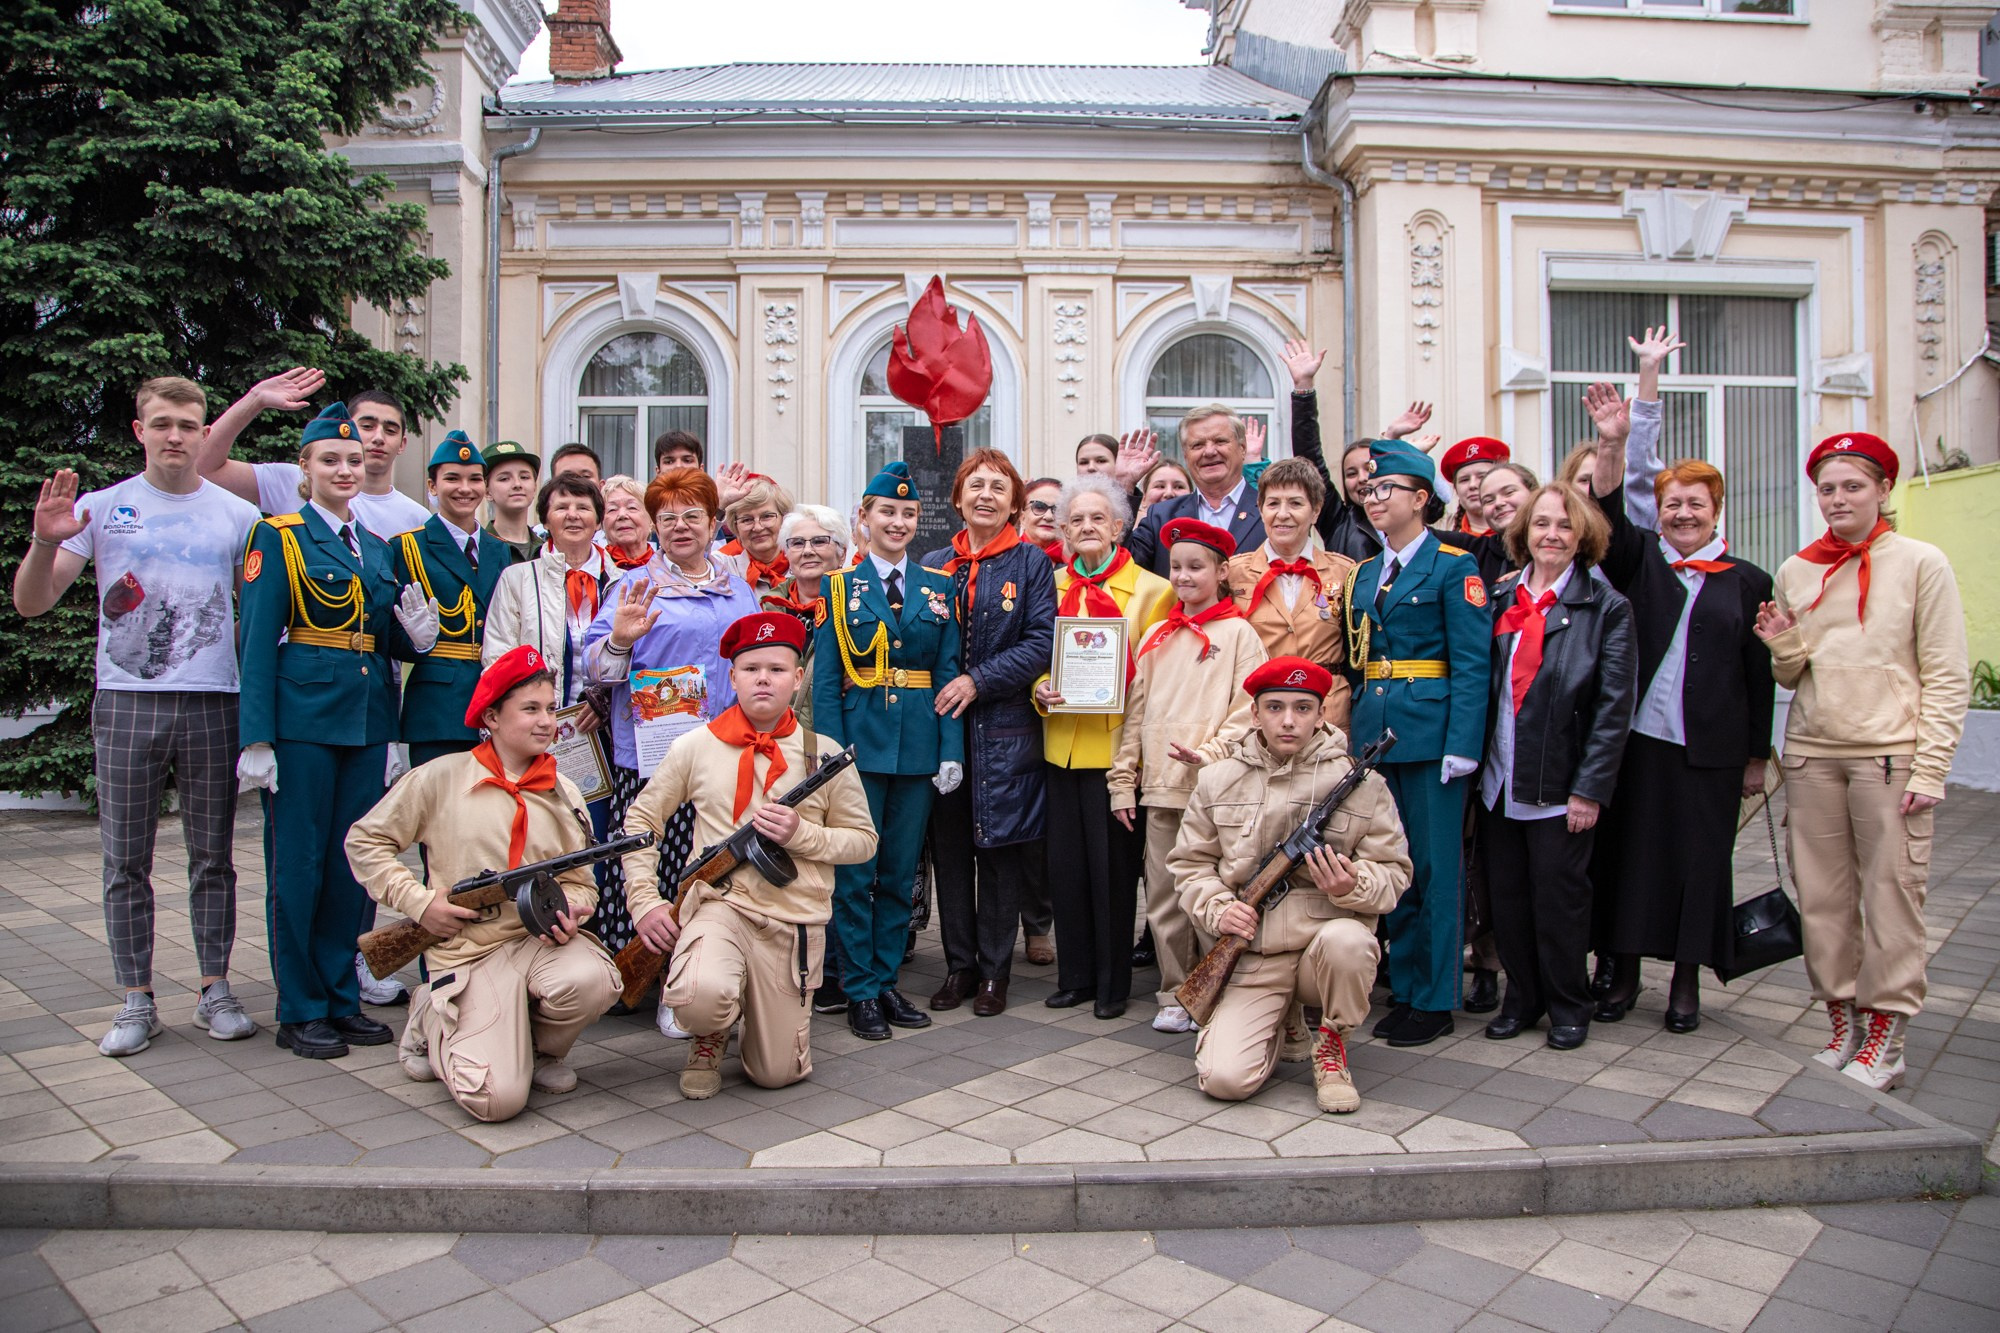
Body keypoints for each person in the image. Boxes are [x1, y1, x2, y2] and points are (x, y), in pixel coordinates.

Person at [14, 377, 262, 1056]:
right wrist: (42, 543)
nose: (176, 436)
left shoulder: (236, 517)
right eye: (162, 424)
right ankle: (136, 997)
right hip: (127, 702)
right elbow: (32, 603)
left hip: (215, 700)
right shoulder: (101, 509)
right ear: (139, 430)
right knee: (126, 859)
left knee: (213, 856)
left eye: (189, 424)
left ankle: (215, 986)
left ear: (205, 431)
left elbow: (266, 609)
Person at [1755, 432, 1968, 1091]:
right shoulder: (1797, 568)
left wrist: (1930, 768)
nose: (1839, 498)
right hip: (1815, 753)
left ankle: (1889, 1030)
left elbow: (1947, 673)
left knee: (1892, 894)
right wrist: (1782, 644)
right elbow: (1794, 672)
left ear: (1882, 490)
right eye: (1827, 487)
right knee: (1823, 897)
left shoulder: (1920, 562)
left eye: (1853, 485)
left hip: (1889, 756)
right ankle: (1843, 1016)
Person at [1580, 332, 1775, 1033]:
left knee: (1700, 864)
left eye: (1695, 504)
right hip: (1637, 742)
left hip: (1710, 752)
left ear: (1715, 510)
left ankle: (1687, 983)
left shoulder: (1750, 580)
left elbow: (1760, 675)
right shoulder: (1643, 563)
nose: (1683, 514)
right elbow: (1606, 509)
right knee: (1628, 856)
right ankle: (1624, 972)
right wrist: (1613, 441)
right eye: (1672, 505)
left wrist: (1757, 755)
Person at [236, 402, 439, 1059]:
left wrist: (416, 641)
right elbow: (258, 641)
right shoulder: (280, 536)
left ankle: (340, 996)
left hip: (366, 721)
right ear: (306, 467)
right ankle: (299, 1007)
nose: (346, 469)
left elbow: (378, 639)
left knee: (352, 865)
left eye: (354, 460)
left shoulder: (375, 547)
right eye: (331, 460)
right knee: (298, 866)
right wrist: (257, 736)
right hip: (301, 723)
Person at [345, 645, 622, 1121]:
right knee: (495, 1102)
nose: (547, 722)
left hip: (539, 944)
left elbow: (583, 881)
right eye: (530, 709)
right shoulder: (440, 777)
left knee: (594, 980)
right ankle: (430, 1016)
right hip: (467, 954)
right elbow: (365, 841)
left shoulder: (564, 790)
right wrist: (418, 902)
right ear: (491, 717)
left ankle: (539, 1051)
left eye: (551, 709)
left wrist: (574, 907)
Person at [621, 614, 877, 1096]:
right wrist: (645, 902)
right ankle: (709, 1031)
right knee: (700, 996)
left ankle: (750, 1013)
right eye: (751, 668)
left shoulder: (824, 755)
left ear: (798, 678)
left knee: (776, 1075)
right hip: (720, 907)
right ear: (732, 676)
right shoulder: (694, 747)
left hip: (794, 918)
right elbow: (640, 824)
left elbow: (863, 841)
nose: (764, 678)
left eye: (778, 669)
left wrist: (803, 834)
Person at [1173, 658, 1413, 1112]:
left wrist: (1351, 884)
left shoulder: (1364, 786)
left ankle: (1332, 1046)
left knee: (1350, 942)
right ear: (1254, 714)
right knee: (1225, 1080)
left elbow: (1395, 873)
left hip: (1322, 951)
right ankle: (1284, 1021)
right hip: (1253, 954)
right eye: (1275, 707)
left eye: (1303, 708)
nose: (1288, 719)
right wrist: (1219, 908)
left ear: (1322, 715)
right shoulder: (1216, 779)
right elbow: (1189, 865)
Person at [582, 468, 760, 996]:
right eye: (668, 518)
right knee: (644, 860)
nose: (681, 527)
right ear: (654, 528)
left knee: (706, 866)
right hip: (651, 757)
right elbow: (594, 669)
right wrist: (618, 638)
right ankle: (634, 973)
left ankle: (690, 974)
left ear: (713, 524)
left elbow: (751, 663)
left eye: (692, 516)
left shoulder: (738, 588)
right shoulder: (634, 586)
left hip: (723, 751)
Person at [1477, 484, 1636, 1050]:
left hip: (1559, 786)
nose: (1551, 535)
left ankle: (1570, 1003)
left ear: (1582, 537)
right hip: (1499, 781)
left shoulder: (1606, 606)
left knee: (1560, 901)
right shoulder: (1501, 598)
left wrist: (1590, 789)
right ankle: (1523, 999)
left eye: (1564, 526)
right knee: (1509, 900)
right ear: (1523, 533)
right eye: (1541, 523)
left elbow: (1614, 708)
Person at [1342, 439, 1489, 1048]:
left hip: (1432, 737)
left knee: (1435, 870)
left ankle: (1434, 998)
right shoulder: (1367, 574)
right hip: (1378, 736)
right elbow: (1361, 664)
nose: (1374, 499)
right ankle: (1402, 987)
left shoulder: (1455, 568)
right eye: (1370, 490)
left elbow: (1474, 663)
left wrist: (1464, 743)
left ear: (1421, 499)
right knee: (1390, 867)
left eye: (1386, 490)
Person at [812, 461, 965, 1040]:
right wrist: (830, 755)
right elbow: (827, 682)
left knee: (901, 874)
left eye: (907, 513)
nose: (897, 522)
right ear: (864, 519)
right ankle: (858, 991)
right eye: (886, 512)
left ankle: (883, 981)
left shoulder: (939, 588)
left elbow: (948, 672)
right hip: (858, 750)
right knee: (856, 874)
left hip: (919, 750)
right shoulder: (840, 588)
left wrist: (949, 750)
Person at [1109, 517, 1265, 1033]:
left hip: (1218, 790)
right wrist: (1122, 780)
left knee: (1217, 894)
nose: (1183, 576)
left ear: (1222, 571)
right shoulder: (1157, 634)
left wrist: (1213, 751)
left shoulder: (1240, 632)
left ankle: (1217, 988)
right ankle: (1176, 990)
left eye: (1196, 567)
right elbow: (1135, 713)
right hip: (1161, 788)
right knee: (1163, 897)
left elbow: (1248, 708)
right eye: (1175, 566)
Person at [923, 450, 1059, 1017]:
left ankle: (994, 973)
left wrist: (977, 681)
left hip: (1005, 730)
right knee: (950, 852)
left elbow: (1039, 641)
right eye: (974, 485)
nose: (985, 495)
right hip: (943, 732)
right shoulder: (932, 563)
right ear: (957, 499)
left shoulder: (1030, 565)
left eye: (998, 488)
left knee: (1000, 852)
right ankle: (959, 966)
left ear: (1014, 504)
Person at [1036, 475, 1173, 1019]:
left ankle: (1113, 984)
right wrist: (1038, 689)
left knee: (1114, 873)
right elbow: (1034, 655)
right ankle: (1076, 976)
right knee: (1065, 867)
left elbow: (1157, 679)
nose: (1087, 527)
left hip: (1118, 754)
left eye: (1099, 518)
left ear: (1119, 526)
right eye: (1076, 520)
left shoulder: (1153, 590)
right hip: (1059, 746)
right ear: (1063, 530)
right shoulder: (1048, 583)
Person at [394, 432, 515, 769]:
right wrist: (414, 642)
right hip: (436, 708)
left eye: (475, 479)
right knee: (437, 812)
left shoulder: (499, 549)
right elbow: (388, 634)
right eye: (452, 479)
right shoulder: (406, 548)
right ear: (432, 486)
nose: (465, 488)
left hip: (494, 699)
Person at [199, 381, 430, 538]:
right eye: (367, 426)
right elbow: (205, 468)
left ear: (402, 444)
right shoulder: (294, 480)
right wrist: (255, 399)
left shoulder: (417, 517)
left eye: (390, 430)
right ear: (345, 428)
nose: (378, 437)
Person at [1226, 457, 1357, 726]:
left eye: (1295, 503)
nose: (1282, 514)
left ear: (1316, 511)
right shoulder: (1233, 572)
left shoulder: (1345, 572)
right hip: (1259, 710)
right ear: (1260, 509)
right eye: (1273, 503)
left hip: (1326, 711)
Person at [1279, 339, 1433, 563]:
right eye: (1351, 473)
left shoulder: (1414, 517)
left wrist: (1392, 440)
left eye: (1369, 468)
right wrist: (1304, 387)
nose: (1362, 479)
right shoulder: (1338, 520)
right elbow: (1309, 458)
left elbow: (1433, 501)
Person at [1126, 405, 1263, 573]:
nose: (1210, 451)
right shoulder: (1161, 516)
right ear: (1186, 456)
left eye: (1220, 441)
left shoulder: (1269, 510)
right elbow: (1125, 565)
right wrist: (1125, 484)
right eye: (1198, 445)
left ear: (1242, 449)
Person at [717, 473, 794, 596]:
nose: (757, 527)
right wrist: (718, 509)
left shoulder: (802, 563)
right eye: (747, 520)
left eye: (767, 516)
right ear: (735, 527)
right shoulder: (724, 568)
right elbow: (694, 555)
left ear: (783, 519)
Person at [482, 440, 542, 565]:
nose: (517, 484)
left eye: (524, 477)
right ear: (487, 491)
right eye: (504, 479)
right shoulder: (479, 549)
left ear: (535, 487)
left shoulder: (548, 551)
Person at [1440, 438, 1509, 536]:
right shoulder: (1441, 529)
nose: (1472, 485)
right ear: (1456, 488)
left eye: (1482, 477)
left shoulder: (1524, 529)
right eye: (1464, 480)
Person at [601, 474, 657, 571]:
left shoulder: (669, 568)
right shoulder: (594, 571)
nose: (622, 515)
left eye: (632, 507)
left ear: (651, 519)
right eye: (612, 509)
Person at [1020, 477, 1064, 564]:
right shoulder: (1002, 558)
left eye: (1058, 509)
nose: (1049, 517)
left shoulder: (1081, 562)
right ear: (1022, 518)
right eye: (1039, 507)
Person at [1136, 459, 1192, 523]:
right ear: (1143, 499)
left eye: (1179, 487)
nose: (1169, 493)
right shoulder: (1127, 531)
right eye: (1160, 486)